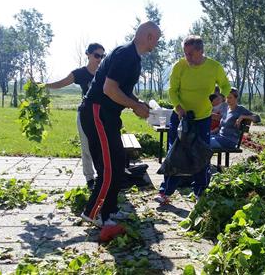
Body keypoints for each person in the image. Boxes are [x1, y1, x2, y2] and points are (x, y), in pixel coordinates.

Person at [79, 21, 160, 227]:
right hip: (98, 112)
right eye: (156, 39)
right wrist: (135, 105)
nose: (157, 44)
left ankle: (110, 212)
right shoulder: (125, 55)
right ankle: (93, 212)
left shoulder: (134, 58)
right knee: (108, 168)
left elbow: (121, 90)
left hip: (110, 116)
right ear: (149, 36)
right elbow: (109, 89)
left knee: (118, 163)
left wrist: (138, 104)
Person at [155, 35, 231, 205]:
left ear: (201, 51)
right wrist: (178, 107)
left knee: (201, 155)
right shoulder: (179, 66)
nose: (187, 57)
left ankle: (200, 193)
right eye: (185, 53)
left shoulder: (214, 67)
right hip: (180, 117)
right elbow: (172, 91)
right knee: (174, 154)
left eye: (190, 54)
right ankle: (165, 192)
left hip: (202, 119)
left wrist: (221, 96)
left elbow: (225, 85)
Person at [46, 43, 105, 191]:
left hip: (102, 115)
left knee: (102, 147)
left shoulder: (105, 72)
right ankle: (90, 178)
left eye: (102, 56)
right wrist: (43, 86)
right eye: (97, 55)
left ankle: (103, 176)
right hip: (85, 114)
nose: (99, 59)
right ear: (88, 54)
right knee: (86, 147)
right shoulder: (80, 73)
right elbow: (61, 83)